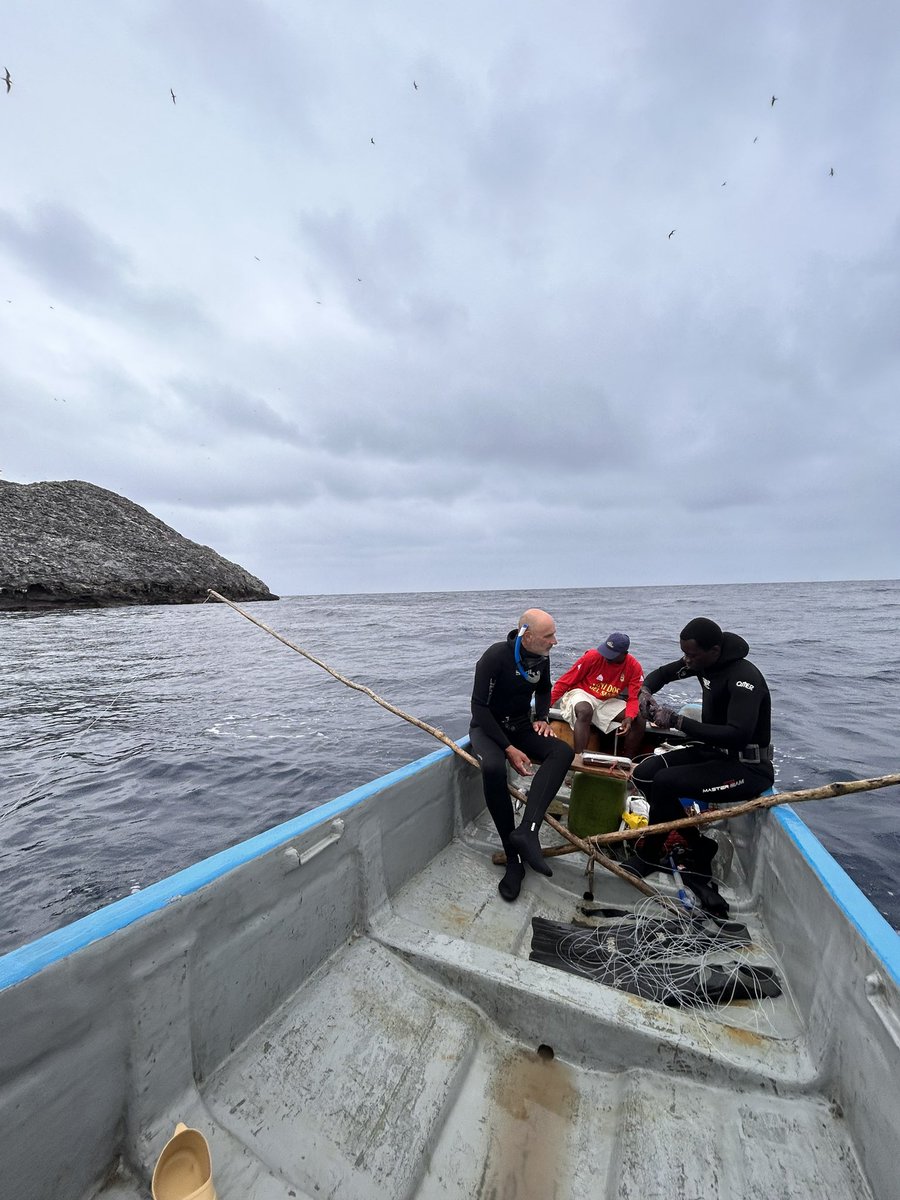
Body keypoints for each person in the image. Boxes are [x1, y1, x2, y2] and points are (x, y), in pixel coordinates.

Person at [624, 617, 774, 916]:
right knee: (645, 774)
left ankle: (649, 855)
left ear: (714, 650)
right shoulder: (702, 662)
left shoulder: (744, 678)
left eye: (692, 655)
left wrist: (677, 721)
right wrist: (645, 693)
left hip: (747, 767)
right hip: (713, 753)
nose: (687, 660)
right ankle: (699, 843)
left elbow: (737, 734)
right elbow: (663, 674)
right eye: (685, 654)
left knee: (665, 782)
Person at [470, 609, 575, 901]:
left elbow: (544, 689)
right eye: (548, 636)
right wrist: (508, 748)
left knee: (562, 751)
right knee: (493, 768)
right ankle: (513, 858)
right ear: (526, 636)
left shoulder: (542, 656)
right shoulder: (494, 657)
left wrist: (542, 717)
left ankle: (527, 831)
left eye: (554, 635)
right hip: (488, 729)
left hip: (520, 726)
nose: (555, 641)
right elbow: (478, 707)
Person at [550, 631, 646, 757]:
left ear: (624, 654)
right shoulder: (592, 656)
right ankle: (579, 757)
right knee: (585, 711)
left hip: (607, 700)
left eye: (612, 655)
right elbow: (565, 681)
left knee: (639, 718)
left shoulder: (634, 667)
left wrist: (629, 717)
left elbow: (633, 698)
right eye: (606, 651)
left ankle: (627, 760)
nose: (606, 657)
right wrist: (548, 703)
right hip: (582, 693)